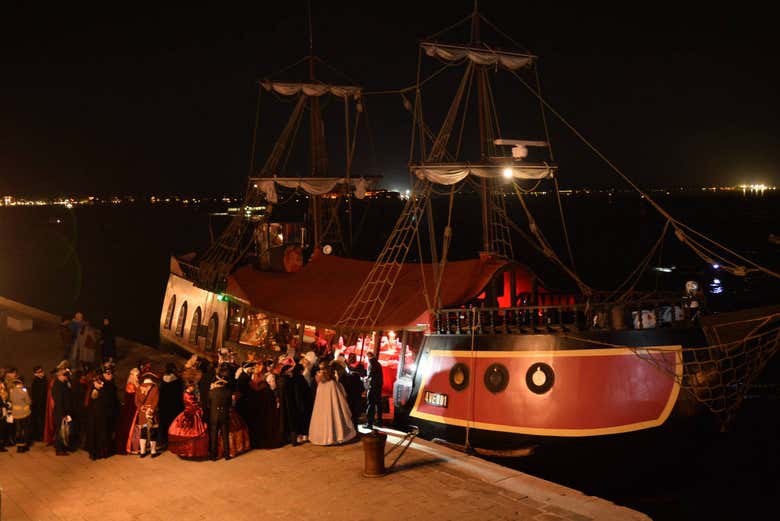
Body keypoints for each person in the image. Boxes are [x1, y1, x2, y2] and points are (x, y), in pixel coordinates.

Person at [308, 362, 356, 446]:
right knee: (334, 420)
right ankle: (334, 437)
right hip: (332, 407)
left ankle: (324, 437)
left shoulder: (321, 384)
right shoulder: (332, 383)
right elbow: (339, 396)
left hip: (321, 409)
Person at [168, 366, 209, 459]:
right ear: (189, 387)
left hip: (192, 412)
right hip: (190, 413)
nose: (193, 388)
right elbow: (192, 404)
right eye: (192, 387)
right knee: (192, 432)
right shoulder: (187, 395)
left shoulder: (189, 393)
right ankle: (188, 451)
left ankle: (193, 451)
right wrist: (199, 406)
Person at [208, 364, 233, 460]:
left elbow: (208, 404)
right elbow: (230, 404)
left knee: (214, 436)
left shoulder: (211, 392)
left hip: (214, 416)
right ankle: (227, 455)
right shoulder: (228, 392)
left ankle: (213, 456)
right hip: (224, 415)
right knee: (225, 435)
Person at [133, 372, 160, 458]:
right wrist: (150, 411)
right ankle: (153, 451)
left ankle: (142, 451)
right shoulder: (155, 388)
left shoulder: (138, 388)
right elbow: (155, 401)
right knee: (153, 431)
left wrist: (142, 408)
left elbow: (136, 401)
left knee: (143, 431)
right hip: (151, 413)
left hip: (142, 413)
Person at [157, 362, 184, 450]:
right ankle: (174, 442)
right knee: (174, 424)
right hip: (175, 406)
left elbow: (160, 394)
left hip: (164, 406)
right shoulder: (178, 381)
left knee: (164, 424)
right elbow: (180, 395)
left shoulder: (162, 381)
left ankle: (163, 442)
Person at [84, 375, 110, 459]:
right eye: (100, 383)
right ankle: (94, 453)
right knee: (94, 434)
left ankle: (101, 452)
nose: (102, 385)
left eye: (102, 383)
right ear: (95, 382)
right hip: (93, 417)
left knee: (101, 434)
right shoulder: (92, 391)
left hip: (101, 417)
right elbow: (90, 405)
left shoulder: (103, 390)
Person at [115, 367, 139, 454]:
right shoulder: (130, 385)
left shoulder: (136, 384)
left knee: (136, 428)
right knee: (129, 427)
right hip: (131, 409)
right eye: (136, 375)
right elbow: (131, 399)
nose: (137, 377)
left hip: (135, 408)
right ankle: (129, 447)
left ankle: (135, 447)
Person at [52, 366, 74, 455]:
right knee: (60, 431)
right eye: (64, 375)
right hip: (60, 412)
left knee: (64, 430)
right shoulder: (57, 386)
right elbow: (59, 401)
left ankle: (63, 447)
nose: (66, 377)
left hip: (65, 411)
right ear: (59, 375)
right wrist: (63, 414)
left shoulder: (64, 384)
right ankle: (59, 450)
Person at [101, 365, 120, 453]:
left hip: (112, 412)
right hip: (104, 412)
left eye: (111, 373)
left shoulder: (112, 385)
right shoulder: (102, 385)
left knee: (110, 431)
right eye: (108, 373)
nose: (110, 375)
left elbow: (114, 398)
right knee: (105, 431)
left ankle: (109, 448)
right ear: (104, 374)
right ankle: (105, 449)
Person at [10, 377, 32, 452]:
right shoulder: (23, 392)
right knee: (25, 430)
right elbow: (29, 401)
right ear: (20, 384)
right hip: (24, 413)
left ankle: (18, 447)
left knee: (18, 430)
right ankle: (24, 446)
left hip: (15, 413)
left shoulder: (11, 392)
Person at [364, 351, 383, 429]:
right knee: (378, 404)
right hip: (378, 386)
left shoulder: (371, 364)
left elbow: (369, 376)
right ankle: (379, 421)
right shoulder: (378, 363)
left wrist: (365, 379)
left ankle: (369, 423)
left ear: (367, 357)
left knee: (370, 404)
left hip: (373, 387)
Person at [30, 366, 48, 442]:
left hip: (43, 404)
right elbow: (36, 395)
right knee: (38, 421)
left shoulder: (45, 380)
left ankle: (42, 435)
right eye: (39, 372)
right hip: (37, 405)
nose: (41, 373)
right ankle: (37, 436)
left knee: (42, 421)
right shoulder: (35, 382)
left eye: (41, 371)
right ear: (35, 374)